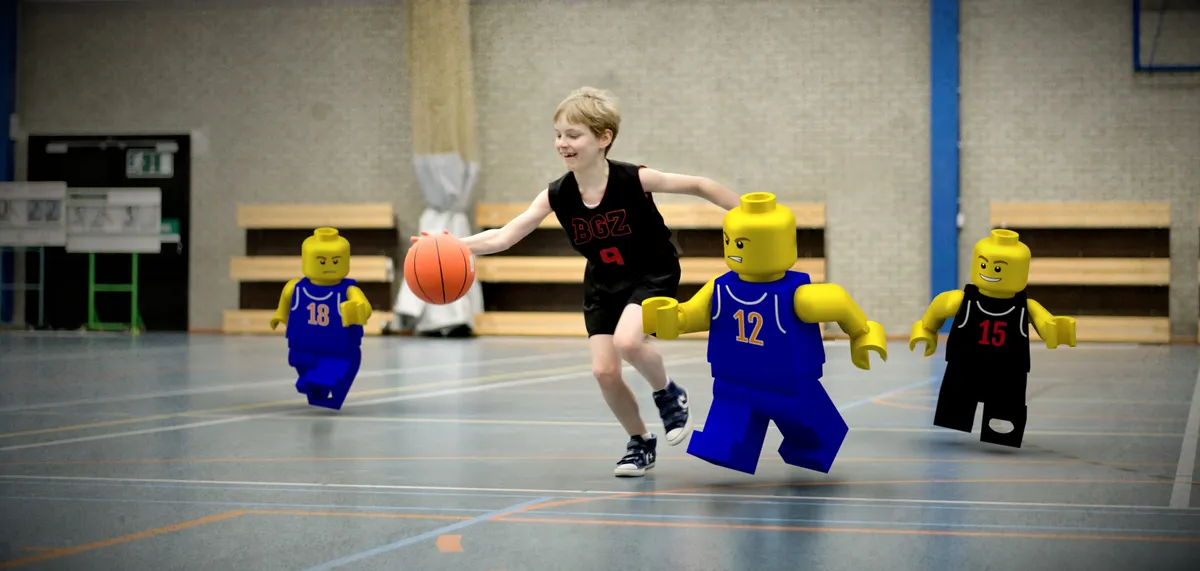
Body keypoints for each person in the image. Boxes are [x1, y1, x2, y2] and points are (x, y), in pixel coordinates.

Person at [455, 86, 741, 476]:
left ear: (603, 138)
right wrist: (455, 246)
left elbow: (699, 185)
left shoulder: (634, 179)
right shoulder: (557, 194)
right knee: (604, 372)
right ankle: (640, 442)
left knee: (628, 341)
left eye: (573, 135)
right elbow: (506, 235)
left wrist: (748, 215)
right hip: (603, 283)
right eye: (558, 134)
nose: (562, 143)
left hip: (652, 271)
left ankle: (669, 394)